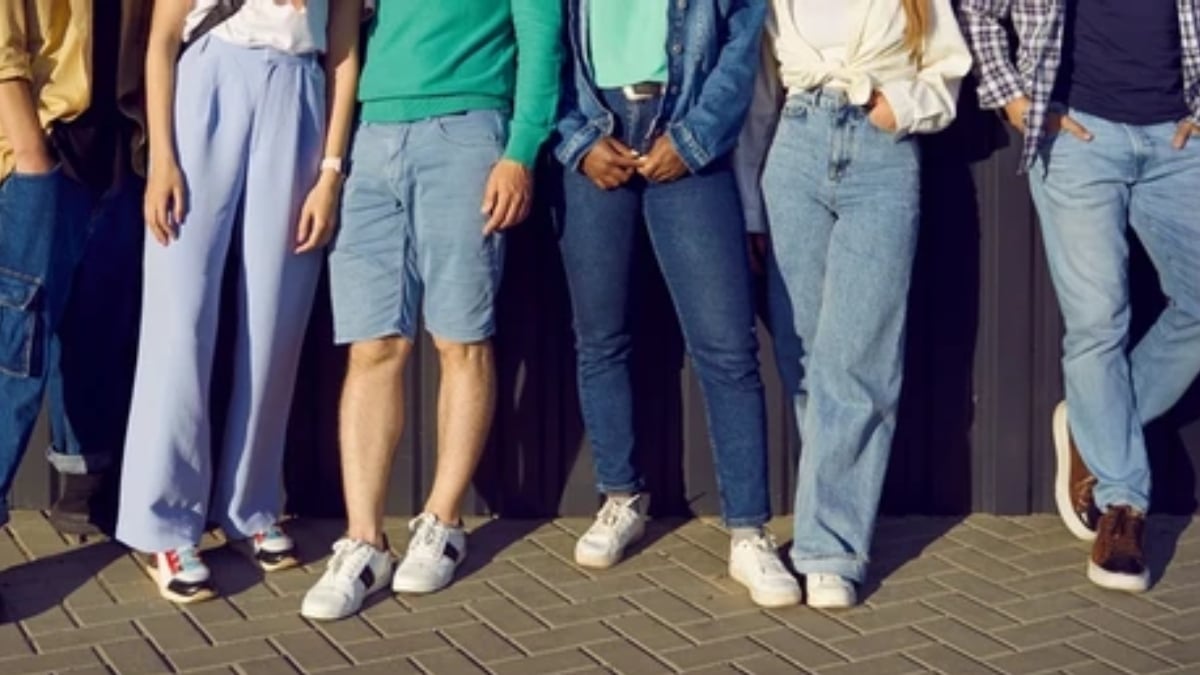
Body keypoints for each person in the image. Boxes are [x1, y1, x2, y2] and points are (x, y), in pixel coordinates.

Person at [299, 1, 562, 621]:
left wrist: (520, 151)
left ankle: (443, 522)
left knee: (460, 340)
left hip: (466, 132)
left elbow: (542, 37)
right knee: (372, 346)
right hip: (370, 137)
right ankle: (364, 542)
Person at [555, 0, 801, 609]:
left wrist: (694, 140)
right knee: (601, 338)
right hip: (596, 133)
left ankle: (749, 530)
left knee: (727, 348)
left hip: (687, 132)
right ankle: (621, 497)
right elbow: (543, 50)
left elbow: (742, 43)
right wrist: (579, 140)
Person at [115, 0, 362, 603]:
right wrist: (162, 158)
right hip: (209, 81)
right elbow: (163, 39)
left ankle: (251, 505)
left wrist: (331, 173)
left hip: (299, 92)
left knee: (278, 316)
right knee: (179, 317)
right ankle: (162, 523)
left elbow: (344, 52)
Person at [737, 0, 970, 607]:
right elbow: (760, 97)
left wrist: (902, 107)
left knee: (860, 358)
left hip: (882, 158)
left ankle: (830, 549)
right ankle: (828, 516)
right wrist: (750, 208)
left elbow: (947, 70)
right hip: (795, 150)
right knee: (806, 356)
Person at [962, 0, 1200, 592]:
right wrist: (1012, 99)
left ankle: (1091, 424)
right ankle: (1123, 506)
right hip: (1077, 135)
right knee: (1098, 320)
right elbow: (978, 11)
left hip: (1178, 140)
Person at [0, 1, 149, 541]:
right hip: (45, 152)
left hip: (120, 156)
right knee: (16, 351)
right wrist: (31, 155)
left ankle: (82, 486)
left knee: (96, 334)